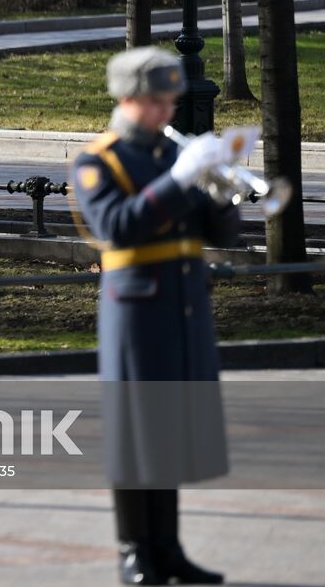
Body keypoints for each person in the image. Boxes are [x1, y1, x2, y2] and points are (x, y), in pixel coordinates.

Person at [71, 47, 240, 586]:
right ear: (127, 99)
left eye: (170, 100)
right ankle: (133, 553)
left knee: (171, 429)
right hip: (137, 311)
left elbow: (222, 238)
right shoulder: (99, 159)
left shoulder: (176, 154)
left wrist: (223, 187)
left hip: (184, 303)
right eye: (157, 101)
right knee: (135, 432)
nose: (168, 111)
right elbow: (117, 226)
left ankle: (167, 550)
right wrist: (180, 180)